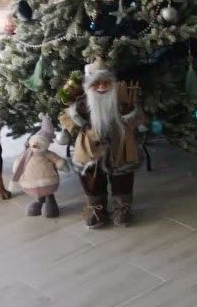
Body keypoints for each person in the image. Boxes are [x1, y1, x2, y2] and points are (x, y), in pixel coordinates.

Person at [58, 60, 140, 228]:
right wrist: (73, 127)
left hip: (119, 145)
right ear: (88, 86)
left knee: (123, 176)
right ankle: (96, 208)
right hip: (90, 147)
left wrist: (130, 114)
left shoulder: (120, 100)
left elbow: (136, 117)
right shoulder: (81, 104)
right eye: (96, 83)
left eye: (106, 83)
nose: (102, 87)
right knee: (91, 177)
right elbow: (67, 117)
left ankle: (122, 207)